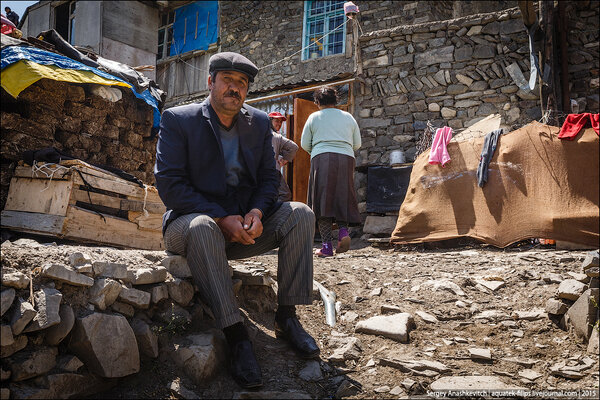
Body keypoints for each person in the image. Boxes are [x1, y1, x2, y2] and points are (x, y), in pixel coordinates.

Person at [154, 52, 319, 389]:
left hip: (242, 229)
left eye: (241, 83)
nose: (234, 88)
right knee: (202, 226)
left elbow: (267, 180)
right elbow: (170, 185)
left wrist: (257, 213)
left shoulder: (257, 122)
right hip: (189, 227)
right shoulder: (178, 119)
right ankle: (236, 334)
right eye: (227, 80)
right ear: (210, 82)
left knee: (300, 214)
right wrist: (219, 217)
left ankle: (287, 318)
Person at [300, 86, 361, 257]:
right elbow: (357, 144)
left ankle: (326, 246)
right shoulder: (348, 117)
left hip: (322, 158)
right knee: (343, 196)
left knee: (322, 201)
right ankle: (343, 232)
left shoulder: (314, 117)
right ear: (336, 101)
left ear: (317, 102)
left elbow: (305, 143)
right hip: (346, 158)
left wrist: (319, 150)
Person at [268, 111, 298, 201]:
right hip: (272, 171)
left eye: (281, 122)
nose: (279, 124)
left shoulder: (258, 134)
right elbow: (294, 147)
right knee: (285, 195)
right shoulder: (277, 137)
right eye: (277, 121)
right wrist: (285, 159)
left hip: (258, 172)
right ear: (270, 121)